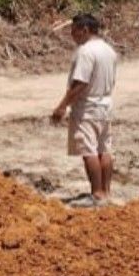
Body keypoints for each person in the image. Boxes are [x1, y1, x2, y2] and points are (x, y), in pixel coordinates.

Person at [50, 13, 118, 200]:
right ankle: (106, 191)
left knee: (89, 151)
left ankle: (96, 193)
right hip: (105, 105)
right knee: (104, 149)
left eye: (74, 31)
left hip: (87, 108)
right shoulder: (109, 50)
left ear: (85, 30)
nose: (72, 36)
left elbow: (80, 83)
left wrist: (62, 106)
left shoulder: (86, 52)